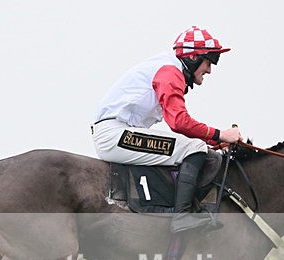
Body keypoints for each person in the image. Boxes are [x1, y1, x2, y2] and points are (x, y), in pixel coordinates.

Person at [92, 26, 243, 233]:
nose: (209, 70)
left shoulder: (167, 68)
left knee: (195, 147)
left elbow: (180, 125)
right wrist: (220, 134)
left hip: (118, 132)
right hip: (115, 134)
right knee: (195, 148)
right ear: (192, 57)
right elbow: (179, 122)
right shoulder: (170, 72)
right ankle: (181, 217)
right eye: (209, 62)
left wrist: (217, 141)